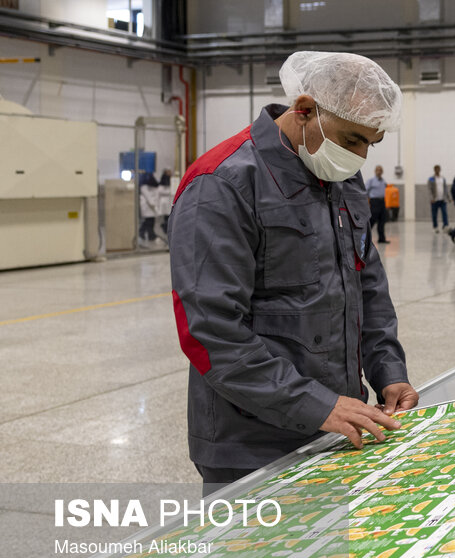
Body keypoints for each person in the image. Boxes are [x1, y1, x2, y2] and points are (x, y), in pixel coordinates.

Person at [169, 51, 418, 492]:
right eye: (352, 139)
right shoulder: (222, 183)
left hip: (338, 426)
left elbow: (366, 288)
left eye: (370, 144)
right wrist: (316, 404)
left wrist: (389, 372)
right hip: (251, 445)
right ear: (304, 110)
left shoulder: (340, 178)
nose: (360, 156)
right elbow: (211, 331)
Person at [366, 164, 389, 243]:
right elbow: (365, 191)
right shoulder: (371, 181)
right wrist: (367, 202)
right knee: (372, 220)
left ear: (382, 172)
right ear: (375, 171)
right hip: (374, 202)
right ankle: (365, 238)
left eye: (380, 170)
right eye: (378, 170)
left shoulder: (383, 181)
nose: (379, 172)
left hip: (382, 202)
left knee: (382, 221)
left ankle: (382, 239)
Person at [138, 172, 160, 248]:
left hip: (152, 207)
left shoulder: (153, 186)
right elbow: (148, 197)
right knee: (149, 222)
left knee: (149, 221)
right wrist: (154, 205)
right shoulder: (144, 187)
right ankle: (150, 235)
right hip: (147, 207)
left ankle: (143, 233)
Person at [427, 164, 450, 233]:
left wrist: (448, 197)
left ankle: (445, 226)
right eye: (436, 169)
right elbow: (429, 189)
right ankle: (435, 227)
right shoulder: (431, 179)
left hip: (442, 199)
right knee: (434, 214)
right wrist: (431, 198)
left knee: (444, 213)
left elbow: (445, 188)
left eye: (438, 169)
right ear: (434, 170)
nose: (437, 170)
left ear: (440, 170)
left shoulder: (443, 178)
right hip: (435, 200)